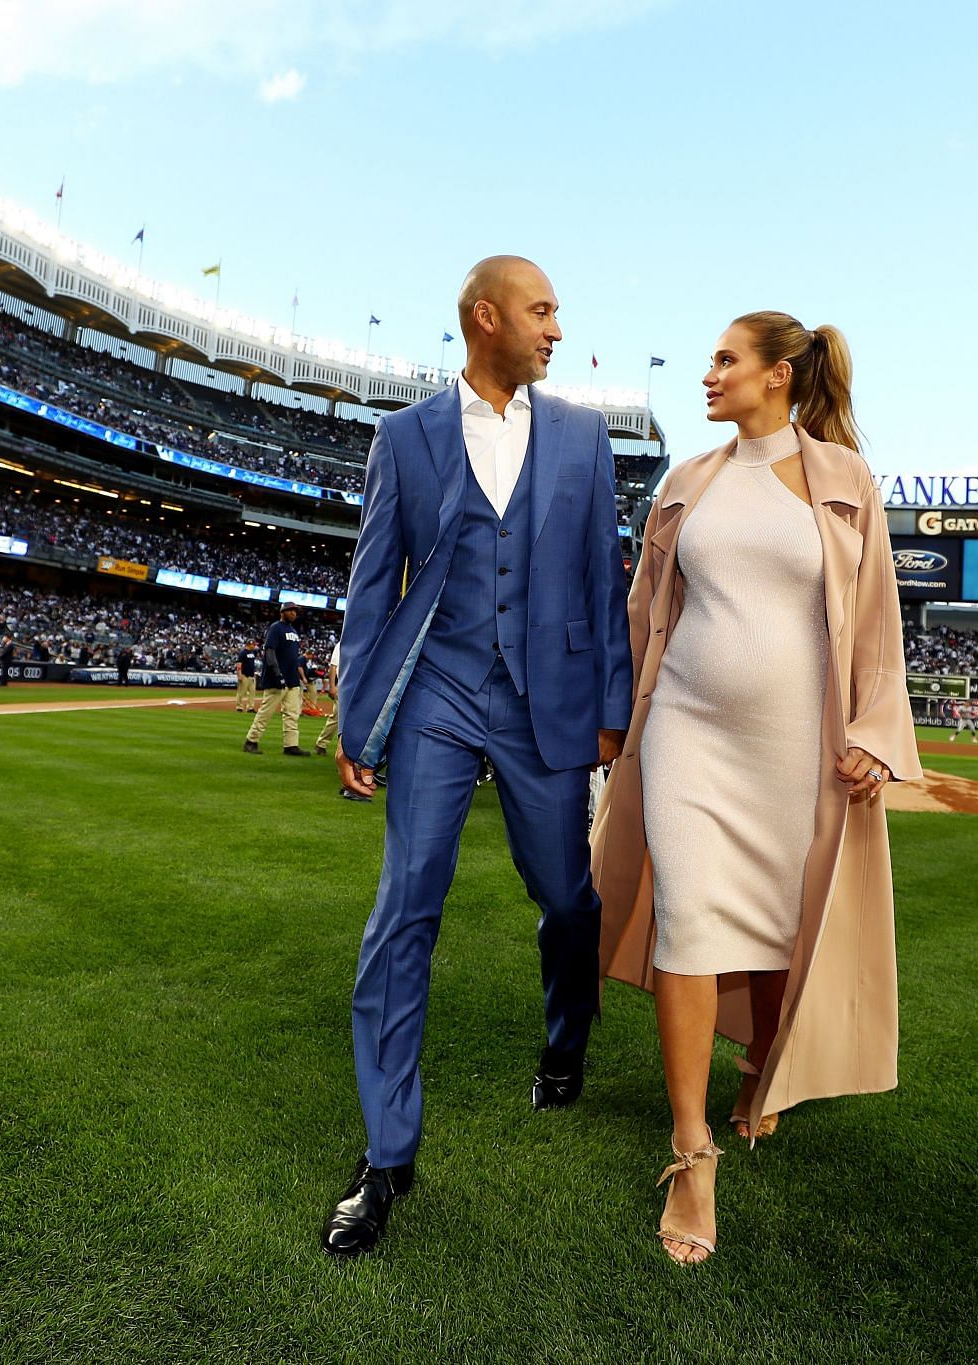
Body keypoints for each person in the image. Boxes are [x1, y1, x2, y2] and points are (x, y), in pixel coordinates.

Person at [590, 310, 921, 1266]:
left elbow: (875, 622)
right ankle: (691, 1153)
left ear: (778, 375)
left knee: (784, 927)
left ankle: (758, 1071)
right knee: (688, 919)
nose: (710, 373)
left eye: (726, 359)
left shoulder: (845, 480)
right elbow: (643, 612)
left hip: (801, 749)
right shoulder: (687, 480)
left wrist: (872, 733)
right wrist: (616, 720)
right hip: (687, 732)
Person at [320, 256, 631, 1256]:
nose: (556, 327)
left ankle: (565, 1039)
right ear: (485, 318)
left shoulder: (584, 436)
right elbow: (373, 588)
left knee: (567, 897)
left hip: (550, 702)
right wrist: (357, 719)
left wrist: (612, 710)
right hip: (438, 698)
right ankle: (385, 1150)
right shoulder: (403, 437)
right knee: (404, 904)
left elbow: (600, 581)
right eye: (543, 310)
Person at [243, 603, 307, 756]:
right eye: (291, 611)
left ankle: (291, 745)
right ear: (283, 612)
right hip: (276, 679)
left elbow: (292, 657)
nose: (294, 613)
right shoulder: (276, 628)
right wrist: (277, 674)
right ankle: (251, 741)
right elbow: (270, 652)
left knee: (292, 714)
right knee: (266, 712)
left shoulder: (294, 631)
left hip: (292, 679)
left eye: (296, 612)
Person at [234, 637, 259, 711]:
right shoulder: (243, 653)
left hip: (251, 675)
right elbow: (239, 664)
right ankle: (239, 706)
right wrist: (239, 674)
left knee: (252, 692)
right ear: (250, 644)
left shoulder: (253, 652)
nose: (254, 646)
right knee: (241, 692)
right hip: (244, 675)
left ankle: (250, 707)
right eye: (253, 644)